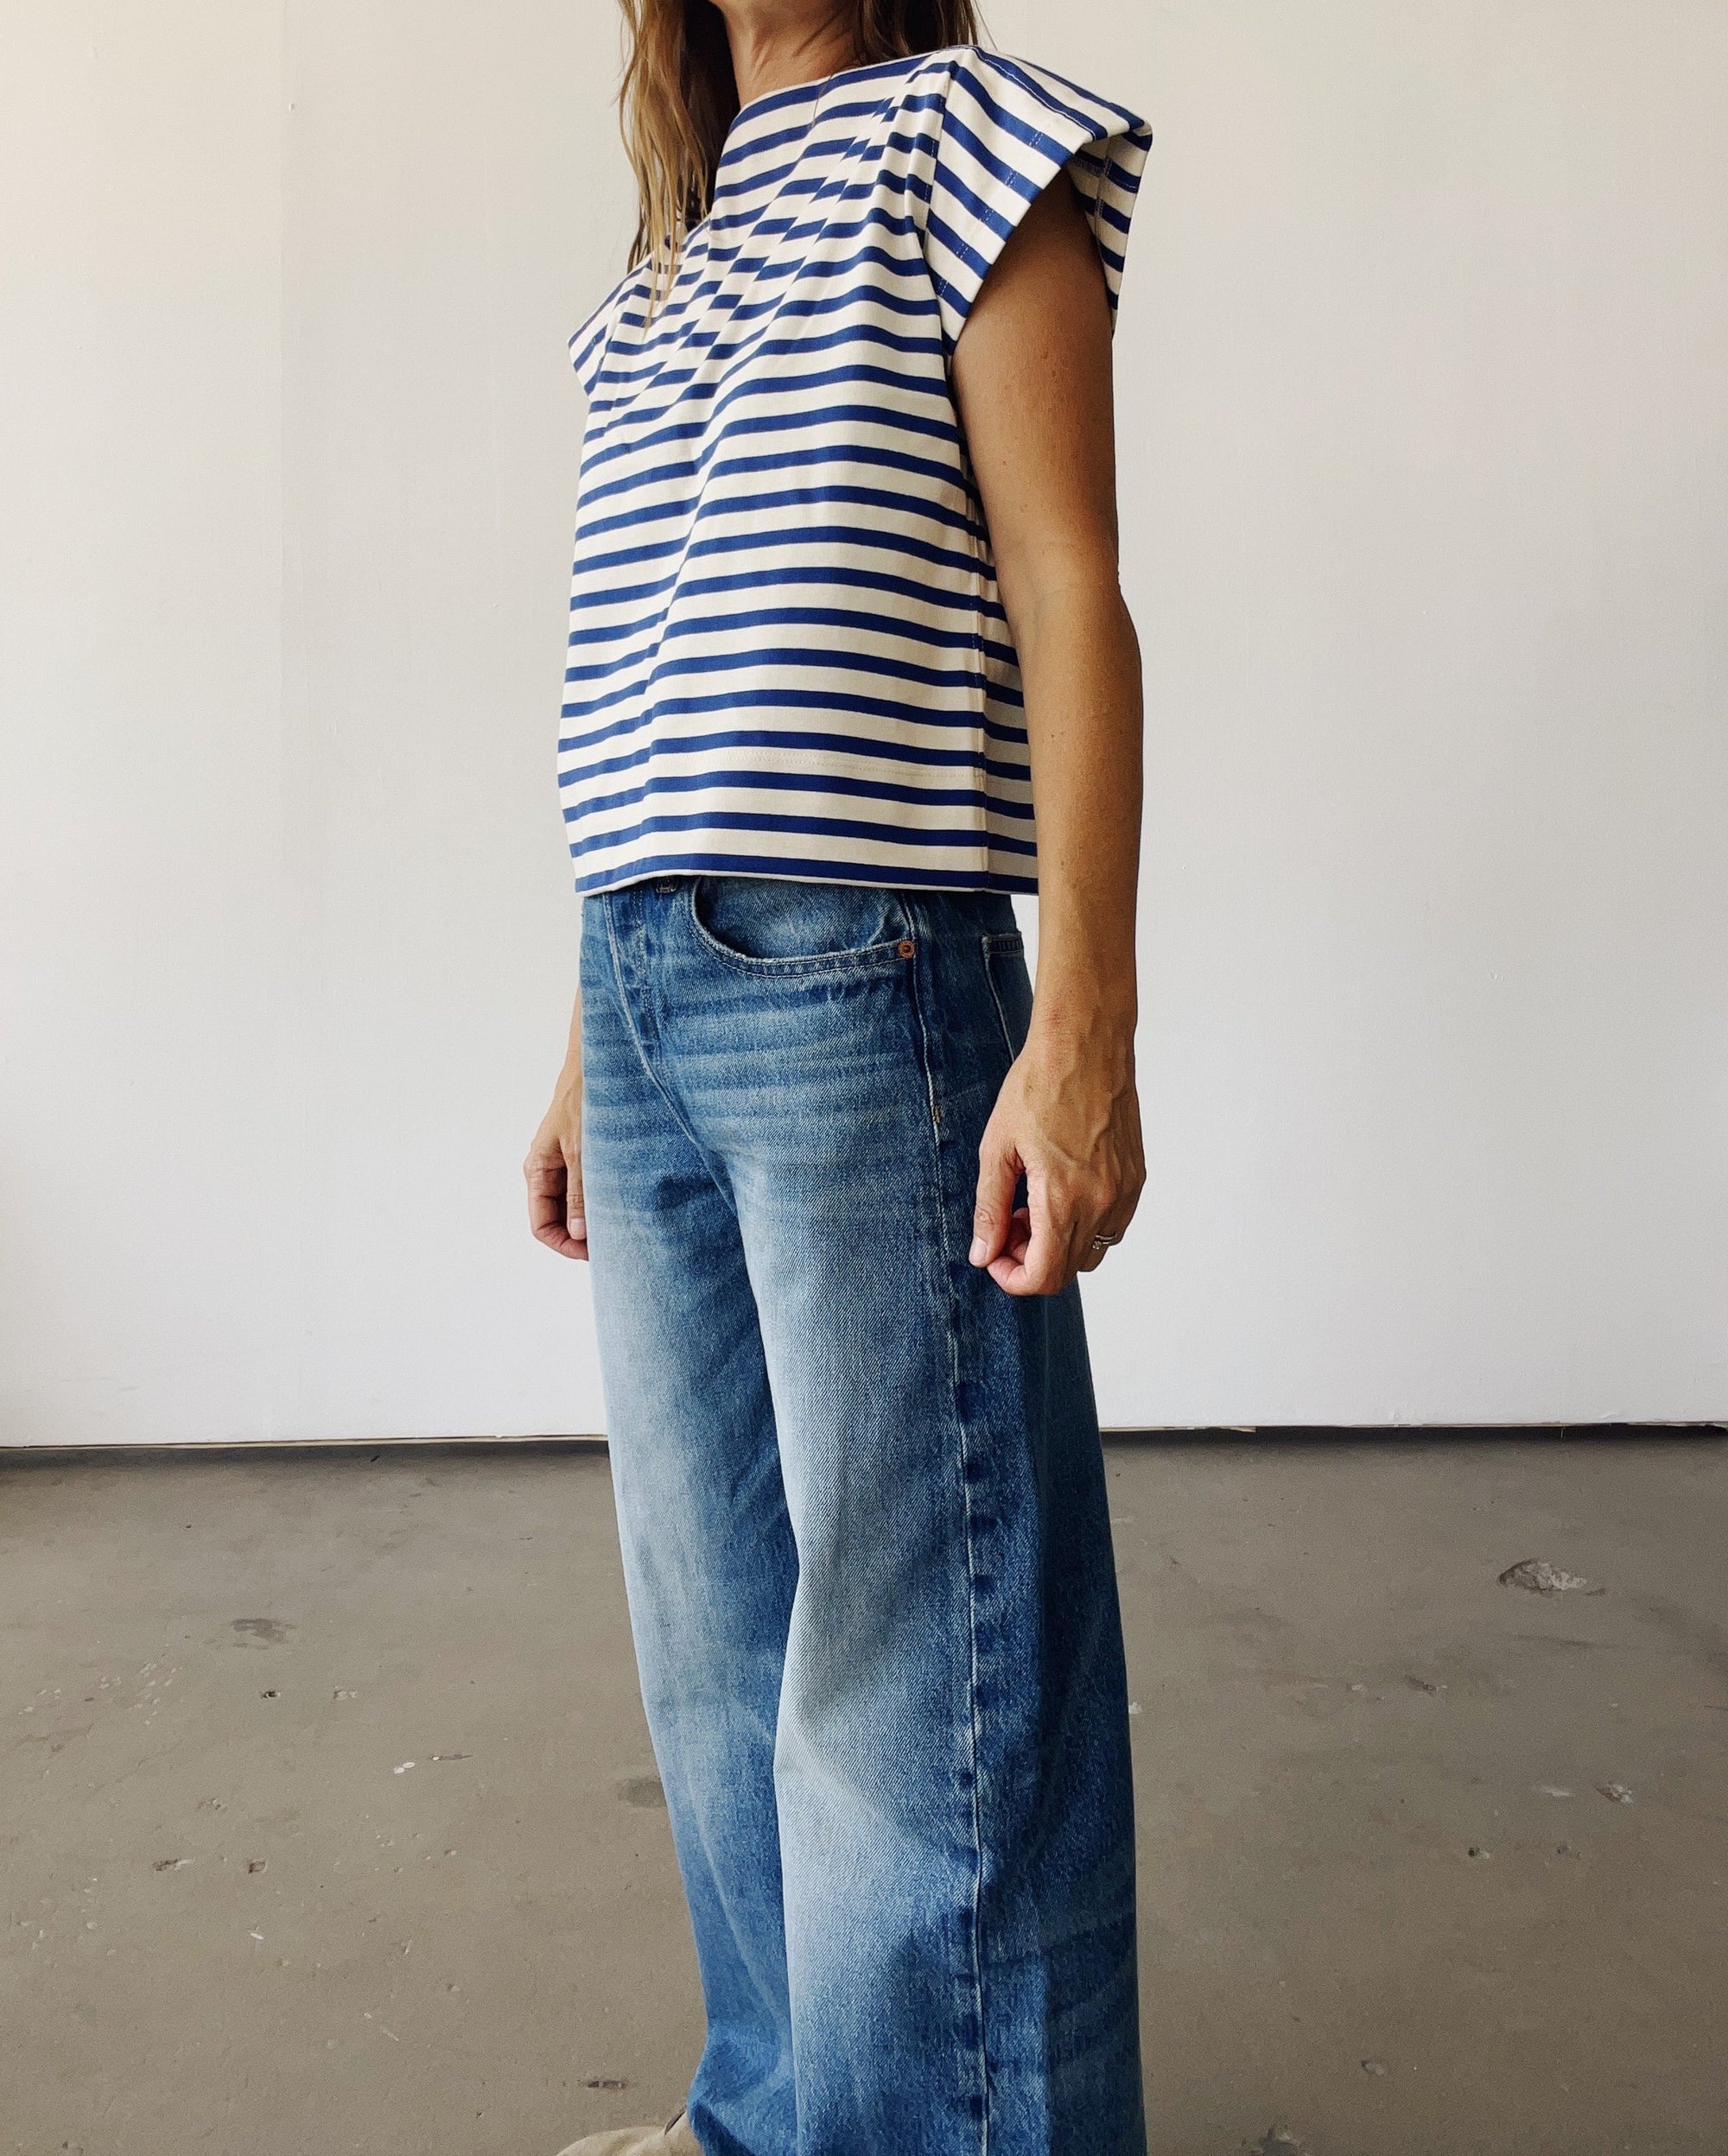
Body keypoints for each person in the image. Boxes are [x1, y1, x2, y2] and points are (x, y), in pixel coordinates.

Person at [524, 4, 1152, 2151]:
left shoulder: (967, 136)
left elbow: (1068, 584)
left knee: (920, 1650)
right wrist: (583, 1046)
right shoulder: (672, 257)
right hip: (647, 982)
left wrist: (1085, 1023)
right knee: (717, 1641)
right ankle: (775, 2118)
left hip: (860, 970)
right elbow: (653, 680)